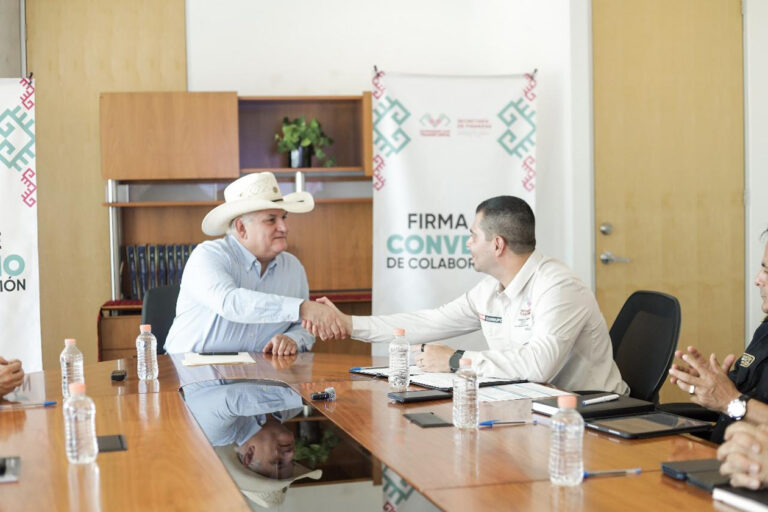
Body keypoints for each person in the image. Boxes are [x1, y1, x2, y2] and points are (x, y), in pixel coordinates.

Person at [306, 196, 628, 394]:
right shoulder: (489, 290)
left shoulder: (558, 287)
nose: (467, 243)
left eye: (473, 235)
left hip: (590, 410)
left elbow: (538, 365)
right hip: (532, 403)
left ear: (497, 245)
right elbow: (428, 322)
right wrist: (349, 324)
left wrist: (455, 360)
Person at [164, 172, 348, 356]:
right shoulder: (208, 255)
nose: (284, 227)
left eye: (283, 218)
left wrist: (292, 338)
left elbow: (304, 326)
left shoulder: (293, 267)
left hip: (261, 369)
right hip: (190, 368)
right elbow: (230, 302)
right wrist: (302, 308)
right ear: (241, 228)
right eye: (271, 220)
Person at [668, 229, 768, 443]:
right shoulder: (765, 329)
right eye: (762, 268)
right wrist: (709, 382)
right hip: (724, 448)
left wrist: (729, 400)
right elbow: (743, 386)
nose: (758, 280)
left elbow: (733, 400)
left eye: (767, 271)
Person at [182, 379, 321, 507]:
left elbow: (231, 398)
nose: (291, 453)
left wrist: (302, 397)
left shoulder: (215, 434)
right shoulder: (292, 409)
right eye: (292, 461)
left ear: (249, 455)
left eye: (278, 462)